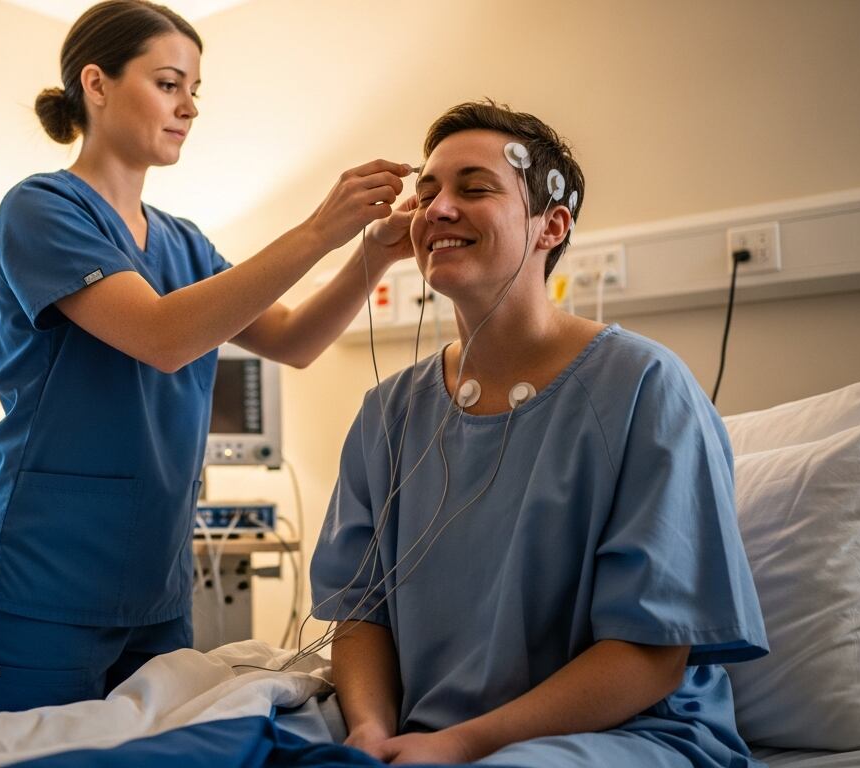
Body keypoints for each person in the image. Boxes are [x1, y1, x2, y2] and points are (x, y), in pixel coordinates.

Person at [0, 0, 415, 712]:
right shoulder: (41, 210)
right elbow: (165, 338)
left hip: (157, 595)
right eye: (169, 84)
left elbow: (292, 341)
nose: (189, 107)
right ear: (96, 84)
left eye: (195, 90)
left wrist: (369, 257)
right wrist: (319, 229)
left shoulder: (185, 242)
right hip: (41, 586)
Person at [308, 100, 769, 767]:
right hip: (417, 729)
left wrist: (459, 745)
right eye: (427, 192)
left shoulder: (643, 387)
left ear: (551, 225)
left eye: (475, 189)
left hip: (626, 734)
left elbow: (651, 653)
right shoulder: (388, 412)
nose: (436, 209)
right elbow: (361, 617)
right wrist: (370, 735)